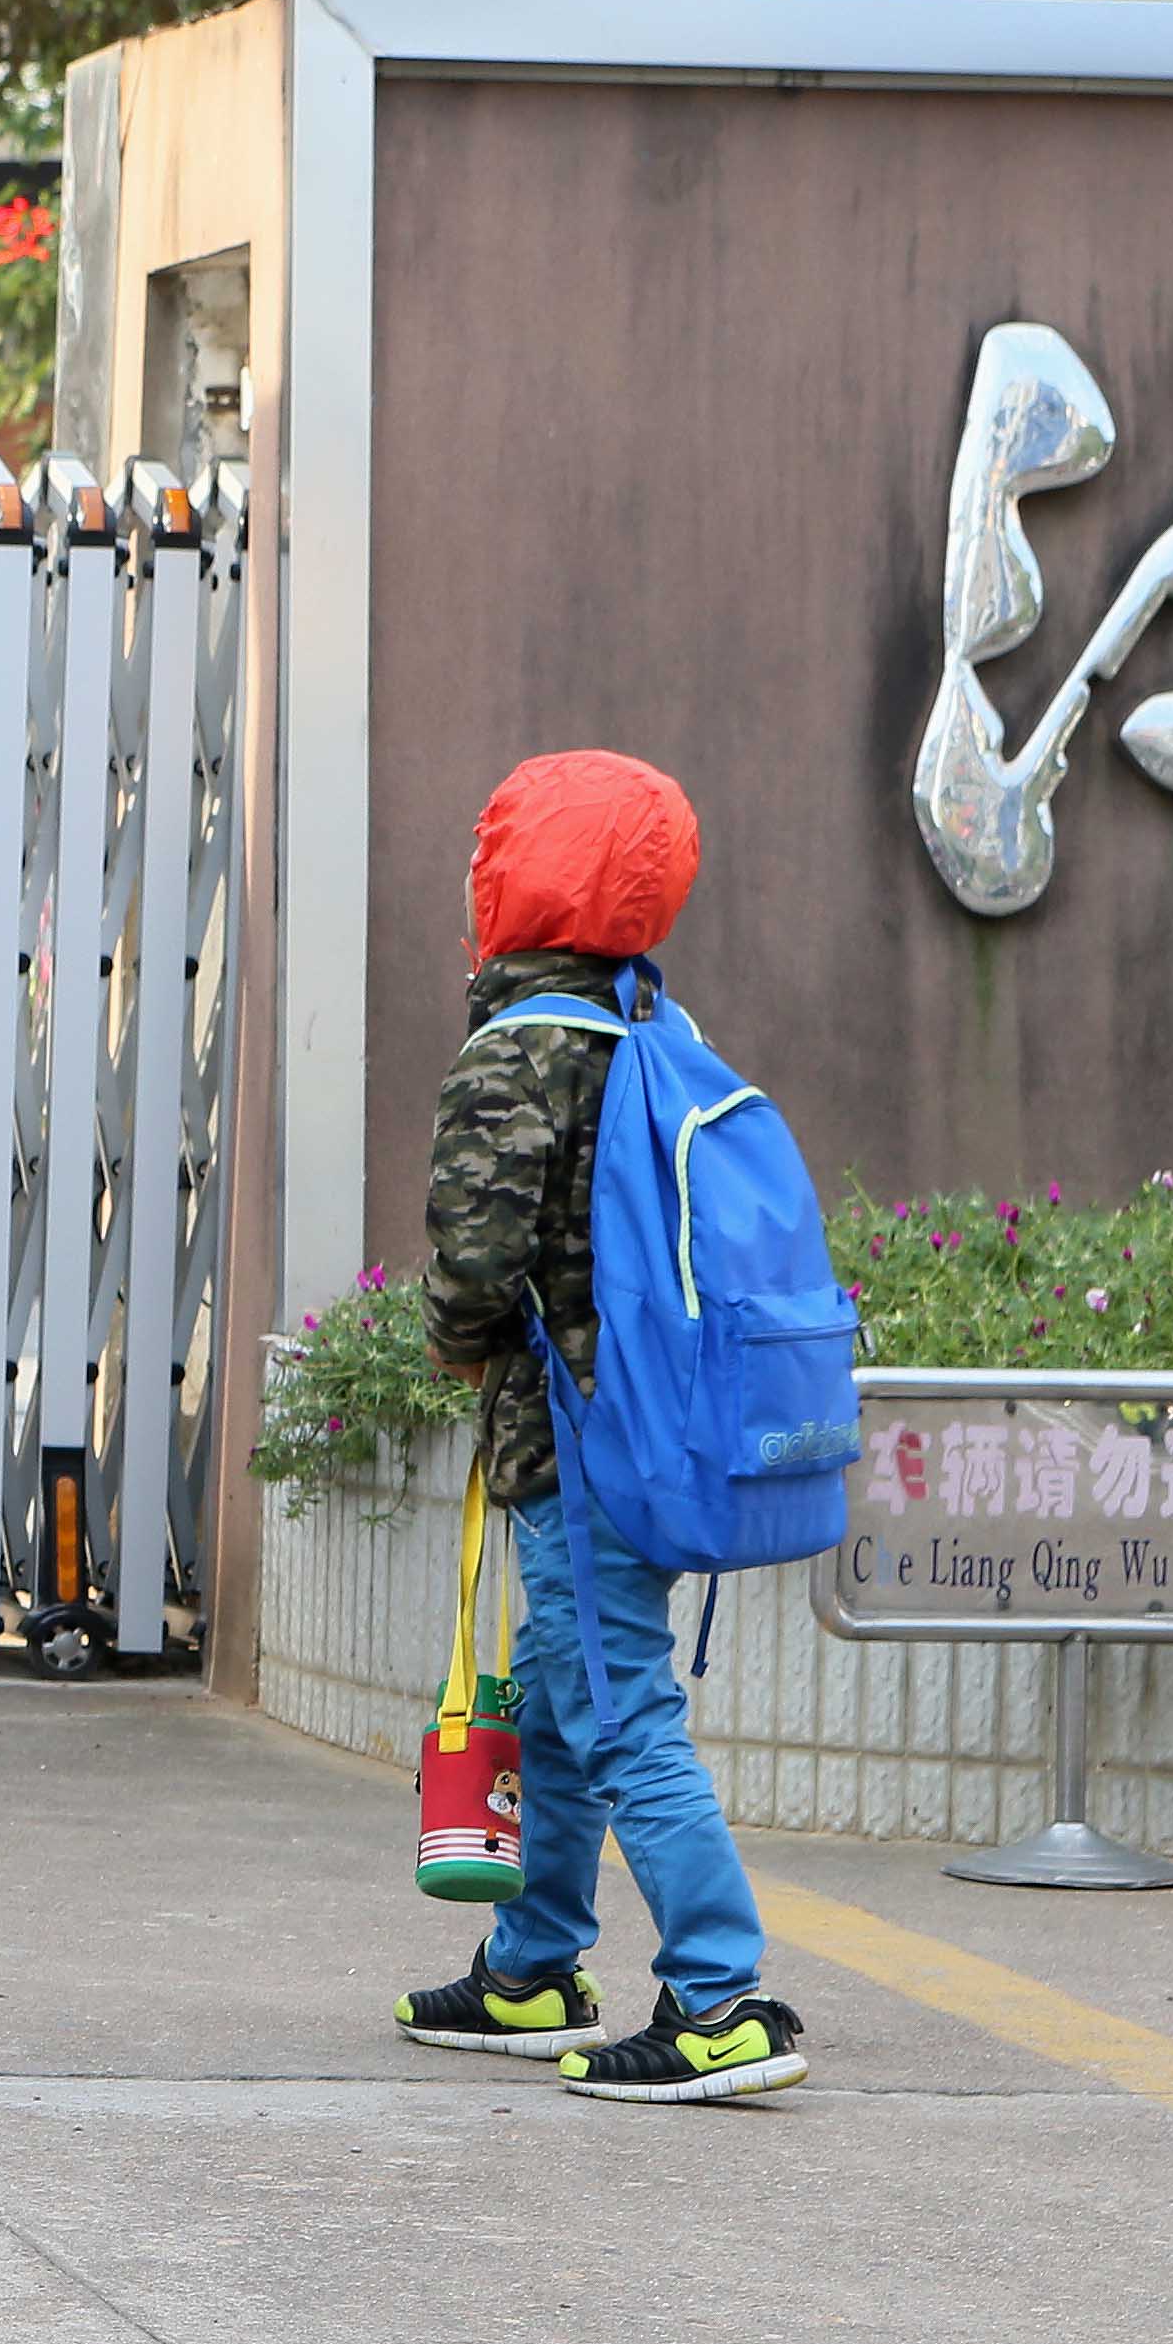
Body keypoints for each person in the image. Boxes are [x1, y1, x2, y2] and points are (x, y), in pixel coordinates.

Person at [402, 748, 811, 2104]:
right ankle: (531, 1968)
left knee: (620, 1709)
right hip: (648, 1434)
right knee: (571, 1705)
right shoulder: (650, 1031)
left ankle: (718, 1998)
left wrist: (458, 1355)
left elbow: (473, 1262)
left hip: (571, 1451)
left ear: (516, 878)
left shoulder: (517, 1054)